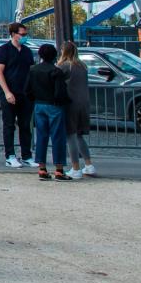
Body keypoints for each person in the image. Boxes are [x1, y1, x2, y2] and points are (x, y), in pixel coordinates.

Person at [0, 22, 36, 168]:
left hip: (25, 93)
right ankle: (10, 155)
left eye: (25, 34)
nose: (24, 37)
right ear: (13, 34)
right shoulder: (4, 50)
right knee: (9, 125)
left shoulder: (27, 51)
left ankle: (27, 155)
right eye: (22, 34)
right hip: (9, 92)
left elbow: (30, 70)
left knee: (25, 126)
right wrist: (6, 92)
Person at [27, 44, 71, 181]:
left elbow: (27, 89)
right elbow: (60, 92)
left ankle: (42, 168)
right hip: (54, 105)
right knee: (58, 137)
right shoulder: (56, 71)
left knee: (41, 136)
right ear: (54, 56)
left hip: (39, 104)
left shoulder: (33, 70)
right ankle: (59, 170)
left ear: (40, 55)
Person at [58, 43, 95, 178]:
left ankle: (75, 167)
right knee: (79, 135)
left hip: (71, 103)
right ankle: (89, 164)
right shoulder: (82, 66)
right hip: (84, 103)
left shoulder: (64, 66)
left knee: (71, 135)